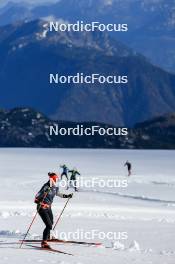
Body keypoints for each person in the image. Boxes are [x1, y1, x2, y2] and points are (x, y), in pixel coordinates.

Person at [34, 172, 73, 249]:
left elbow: (59, 194)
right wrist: (41, 203)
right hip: (42, 208)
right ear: (51, 179)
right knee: (48, 225)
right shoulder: (46, 186)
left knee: (51, 222)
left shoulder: (55, 187)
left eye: (56, 179)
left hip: (48, 208)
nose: (55, 180)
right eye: (54, 179)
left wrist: (67, 196)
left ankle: (48, 237)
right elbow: (36, 198)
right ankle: (44, 242)